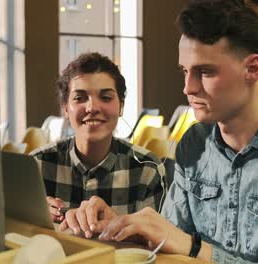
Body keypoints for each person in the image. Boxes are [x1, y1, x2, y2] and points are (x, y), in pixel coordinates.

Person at [62, 1, 258, 263]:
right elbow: (169, 240)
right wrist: (121, 227)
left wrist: (195, 248)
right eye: (185, 71)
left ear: (252, 68)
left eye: (205, 72)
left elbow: (183, 244)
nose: (188, 87)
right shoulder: (194, 142)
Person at [30, 52, 165, 239]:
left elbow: (157, 248)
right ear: (65, 108)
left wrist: (120, 225)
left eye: (106, 97)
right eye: (80, 98)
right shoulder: (37, 165)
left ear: (121, 106)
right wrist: (31, 218)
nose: (92, 107)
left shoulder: (147, 169)